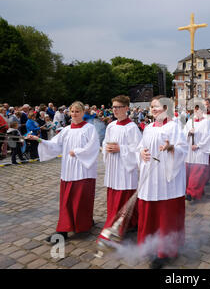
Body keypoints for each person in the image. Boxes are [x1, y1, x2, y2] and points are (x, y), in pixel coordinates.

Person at [27, 101, 100, 243]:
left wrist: (78, 152)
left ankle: (85, 221)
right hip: (69, 170)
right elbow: (54, 144)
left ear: (83, 113)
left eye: (77, 111)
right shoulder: (66, 130)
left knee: (82, 199)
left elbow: (93, 147)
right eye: (72, 111)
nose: (74, 114)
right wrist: (39, 139)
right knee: (67, 200)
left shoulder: (89, 129)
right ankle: (63, 230)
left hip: (84, 170)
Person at [137, 95, 188, 269]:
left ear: (166, 108)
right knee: (150, 211)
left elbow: (183, 148)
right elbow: (141, 146)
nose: (153, 109)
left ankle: (165, 250)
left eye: (157, 106)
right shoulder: (148, 127)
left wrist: (171, 147)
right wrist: (141, 153)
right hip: (150, 177)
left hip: (167, 179)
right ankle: (150, 245)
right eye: (152, 106)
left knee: (166, 213)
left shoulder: (174, 126)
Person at [98, 95, 142, 242]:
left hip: (125, 171)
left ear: (126, 109)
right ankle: (131, 223)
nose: (115, 110)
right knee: (113, 200)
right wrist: (106, 147)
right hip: (114, 169)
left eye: (118, 107)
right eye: (113, 107)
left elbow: (137, 151)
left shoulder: (132, 128)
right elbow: (105, 143)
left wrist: (120, 148)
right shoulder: (111, 126)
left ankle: (116, 229)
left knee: (122, 201)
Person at [184, 106, 210, 201]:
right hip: (190, 151)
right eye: (195, 109)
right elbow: (183, 134)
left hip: (200, 150)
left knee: (197, 172)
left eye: (198, 109)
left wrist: (198, 145)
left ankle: (191, 193)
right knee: (189, 172)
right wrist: (188, 132)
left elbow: (207, 136)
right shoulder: (190, 122)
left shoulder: (206, 122)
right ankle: (194, 191)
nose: (196, 111)